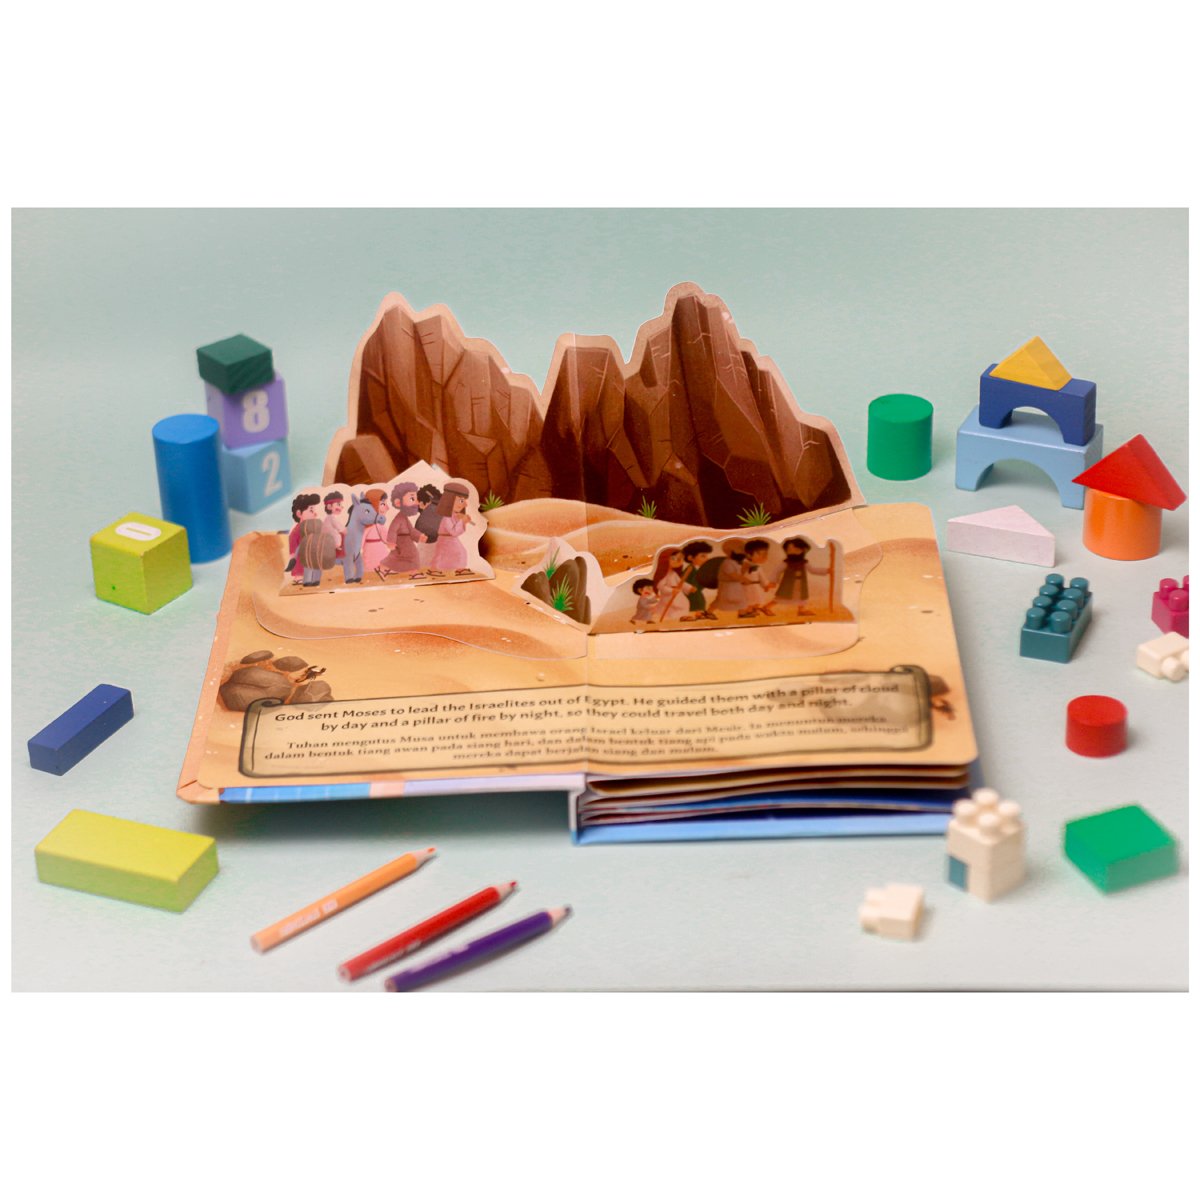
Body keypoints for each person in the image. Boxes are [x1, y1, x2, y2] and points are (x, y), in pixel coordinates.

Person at [377, 481, 423, 578]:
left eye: (416, 499)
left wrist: (419, 536)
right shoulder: (398, 518)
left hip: (406, 543)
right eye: (412, 499)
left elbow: (411, 530)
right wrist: (391, 542)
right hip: (401, 543)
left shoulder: (404, 517)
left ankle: (384, 568)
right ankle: (412, 572)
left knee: (398, 558)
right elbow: (393, 530)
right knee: (407, 557)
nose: (416, 502)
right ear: (398, 502)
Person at [430, 481, 474, 575]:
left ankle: (458, 568)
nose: (465, 504)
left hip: (450, 540)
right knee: (446, 554)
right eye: (461, 501)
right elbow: (453, 531)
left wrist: (460, 520)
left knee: (459, 552)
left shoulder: (453, 515)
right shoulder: (446, 517)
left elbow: (456, 530)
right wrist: (462, 522)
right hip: (446, 539)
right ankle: (436, 569)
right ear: (450, 500)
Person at [766, 536, 811, 618]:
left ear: (802, 550)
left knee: (802, 596)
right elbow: (776, 571)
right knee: (781, 597)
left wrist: (827, 570)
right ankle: (766, 607)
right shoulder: (786, 563)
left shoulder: (804, 563)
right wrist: (773, 581)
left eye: (796, 549)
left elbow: (813, 570)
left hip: (801, 583)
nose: (793, 552)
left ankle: (801, 610)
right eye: (790, 550)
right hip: (788, 583)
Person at [287, 493, 322, 582]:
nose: (315, 514)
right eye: (311, 510)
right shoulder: (296, 531)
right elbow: (292, 546)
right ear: (299, 513)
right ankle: (299, 577)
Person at [677, 540, 716, 621]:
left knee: (699, 600)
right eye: (703, 556)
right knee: (696, 602)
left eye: (706, 556)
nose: (706, 559)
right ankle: (690, 615)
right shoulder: (690, 569)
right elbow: (684, 582)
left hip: (696, 592)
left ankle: (698, 614)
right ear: (691, 558)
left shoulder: (699, 569)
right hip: (690, 593)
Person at [739, 538, 776, 618]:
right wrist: (768, 584)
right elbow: (763, 579)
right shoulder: (750, 566)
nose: (765, 557)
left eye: (766, 554)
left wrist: (766, 585)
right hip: (750, 587)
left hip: (752, 586)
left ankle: (749, 611)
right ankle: (744, 613)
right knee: (751, 600)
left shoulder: (749, 566)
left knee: (753, 600)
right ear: (749, 555)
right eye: (761, 554)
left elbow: (762, 579)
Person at [711, 538, 747, 616]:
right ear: (730, 552)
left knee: (741, 600)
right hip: (728, 586)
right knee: (721, 600)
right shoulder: (727, 563)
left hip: (735, 586)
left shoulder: (735, 562)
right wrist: (744, 579)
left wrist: (744, 570)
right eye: (740, 551)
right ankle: (709, 612)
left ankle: (742, 613)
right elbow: (734, 575)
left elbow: (739, 574)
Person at [361, 491, 391, 574]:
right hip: (369, 551)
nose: (387, 508)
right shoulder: (367, 527)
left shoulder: (380, 526)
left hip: (381, 551)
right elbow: (361, 541)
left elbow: (387, 539)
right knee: (371, 568)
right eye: (383, 504)